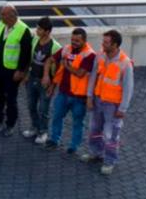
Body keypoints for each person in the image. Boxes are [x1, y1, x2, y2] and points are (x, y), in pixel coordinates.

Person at [82, 30, 135, 175]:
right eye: (103, 41)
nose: (102, 44)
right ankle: (95, 152)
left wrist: (123, 108)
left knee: (110, 135)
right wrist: (89, 96)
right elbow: (93, 76)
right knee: (94, 129)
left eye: (106, 42)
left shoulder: (125, 63)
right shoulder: (100, 56)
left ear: (115, 45)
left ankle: (109, 161)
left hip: (113, 106)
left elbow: (128, 88)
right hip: (98, 99)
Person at [45, 27, 96, 153]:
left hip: (79, 97)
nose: (74, 43)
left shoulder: (90, 55)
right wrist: (48, 78)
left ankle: (74, 146)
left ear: (84, 41)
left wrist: (67, 65)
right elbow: (50, 60)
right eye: (72, 39)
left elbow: (80, 73)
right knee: (57, 117)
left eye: (77, 41)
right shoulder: (66, 49)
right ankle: (54, 139)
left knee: (77, 123)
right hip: (63, 92)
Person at [0, 5, 31, 136]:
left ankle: (10, 124)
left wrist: (21, 71)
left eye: (4, 14)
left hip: (11, 70)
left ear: (12, 15)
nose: (1, 17)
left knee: (11, 98)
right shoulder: (1, 25)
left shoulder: (23, 30)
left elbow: (26, 53)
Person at [22, 17, 60, 141]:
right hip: (32, 78)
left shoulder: (55, 47)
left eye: (40, 29)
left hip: (45, 84)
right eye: (37, 28)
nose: (37, 30)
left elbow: (58, 70)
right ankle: (34, 127)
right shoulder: (35, 40)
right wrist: (26, 74)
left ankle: (43, 132)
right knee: (31, 105)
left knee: (43, 109)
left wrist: (52, 86)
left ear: (48, 31)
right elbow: (29, 58)